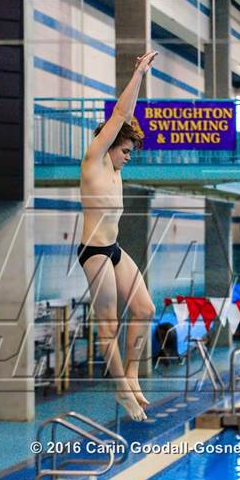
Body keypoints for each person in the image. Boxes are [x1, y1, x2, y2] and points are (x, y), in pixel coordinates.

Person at [78, 51, 158, 422]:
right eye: (125, 150)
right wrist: (140, 72)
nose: (128, 157)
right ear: (108, 145)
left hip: (113, 248)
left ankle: (130, 375)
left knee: (145, 309)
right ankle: (122, 390)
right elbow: (121, 116)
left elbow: (127, 123)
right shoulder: (94, 159)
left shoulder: (116, 171)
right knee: (107, 324)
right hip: (94, 251)